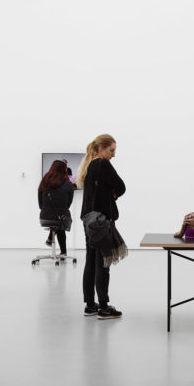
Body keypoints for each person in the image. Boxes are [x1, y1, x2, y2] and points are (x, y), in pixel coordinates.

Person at [78, 134, 126, 319]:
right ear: (100, 148)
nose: (113, 155)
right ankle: (104, 307)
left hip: (88, 219)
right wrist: (112, 194)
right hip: (101, 220)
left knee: (91, 261)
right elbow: (121, 186)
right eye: (111, 150)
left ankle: (90, 305)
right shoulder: (102, 164)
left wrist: (108, 191)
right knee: (103, 263)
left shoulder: (89, 165)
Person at [38, 160, 75, 259]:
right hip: (61, 218)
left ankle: (51, 239)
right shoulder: (68, 184)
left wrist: (46, 211)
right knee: (61, 220)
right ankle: (63, 252)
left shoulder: (44, 181)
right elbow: (69, 203)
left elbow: (40, 203)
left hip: (44, 218)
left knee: (58, 221)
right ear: (64, 170)